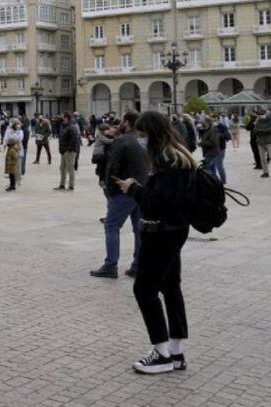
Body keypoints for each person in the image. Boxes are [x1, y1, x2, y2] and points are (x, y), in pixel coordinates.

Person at [113, 110, 195, 375]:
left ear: (152, 133)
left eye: (142, 134)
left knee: (144, 290)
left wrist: (134, 189)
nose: (140, 139)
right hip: (175, 229)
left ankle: (161, 353)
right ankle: (176, 350)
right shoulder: (180, 153)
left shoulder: (167, 160)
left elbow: (159, 203)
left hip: (161, 232)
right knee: (171, 287)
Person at [91, 111, 146, 279]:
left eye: (122, 120)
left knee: (112, 226)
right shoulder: (143, 140)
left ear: (127, 122)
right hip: (142, 189)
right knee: (139, 229)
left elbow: (112, 167)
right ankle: (138, 265)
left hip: (124, 190)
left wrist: (110, 189)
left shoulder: (122, 141)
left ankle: (110, 265)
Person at [55, 115, 80, 191]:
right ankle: (62, 185)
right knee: (62, 168)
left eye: (63, 117)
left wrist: (69, 149)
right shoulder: (64, 126)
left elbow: (75, 139)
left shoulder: (72, 127)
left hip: (70, 151)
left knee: (70, 168)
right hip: (63, 151)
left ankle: (71, 186)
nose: (61, 119)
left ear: (67, 118)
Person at [255, 113, 271, 178]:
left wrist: (261, 131)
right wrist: (262, 131)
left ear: (265, 114)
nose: (261, 115)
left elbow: (270, 130)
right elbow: (255, 131)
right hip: (260, 142)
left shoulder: (270, 121)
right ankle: (265, 172)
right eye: (260, 114)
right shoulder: (257, 122)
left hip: (269, 142)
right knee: (262, 159)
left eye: (262, 114)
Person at [199, 116, 221, 181]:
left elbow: (212, 142)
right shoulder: (207, 130)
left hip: (211, 152)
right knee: (212, 169)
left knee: (208, 169)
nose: (202, 125)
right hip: (208, 152)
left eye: (204, 123)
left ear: (208, 123)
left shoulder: (213, 130)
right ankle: (215, 181)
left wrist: (201, 143)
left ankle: (213, 182)